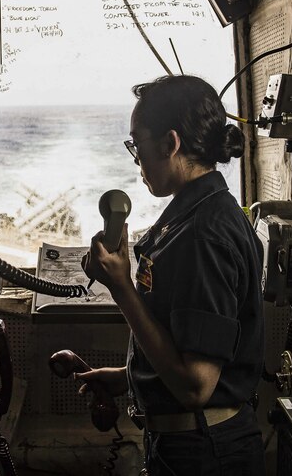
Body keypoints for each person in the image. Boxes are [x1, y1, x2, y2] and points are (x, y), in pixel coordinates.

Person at [78, 75, 265, 475]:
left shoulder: (203, 236)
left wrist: (121, 287)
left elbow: (196, 386)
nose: (137, 161)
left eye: (137, 145)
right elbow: (181, 343)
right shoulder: (193, 216)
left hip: (205, 453)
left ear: (170, 144)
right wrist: (128, 378)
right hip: (189, 443)